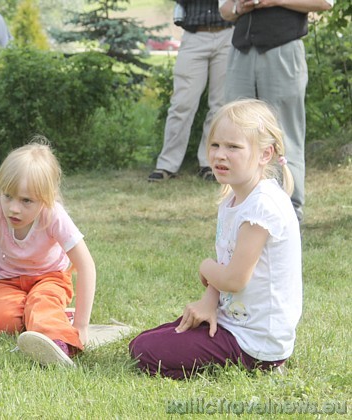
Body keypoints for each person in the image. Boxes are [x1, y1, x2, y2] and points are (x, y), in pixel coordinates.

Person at [130, 99, 302, 379]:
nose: (221, 155)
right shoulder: (234, 200)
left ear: (265, 154)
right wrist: (208, 301)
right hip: (234, 323)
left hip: (255, 342)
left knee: (145, 351)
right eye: (215, 145)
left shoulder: (262, 207)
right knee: (148, 338)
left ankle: (259, 366)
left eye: (233, 147)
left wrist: (204, 265)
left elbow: (234, 279)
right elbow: (228, 264)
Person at [0, 140, 96, 367]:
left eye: (26, 201)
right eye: (7, 196)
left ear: (45, 200)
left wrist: (81, 325)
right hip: (6, 281)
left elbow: (86, 265)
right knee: (5, 323)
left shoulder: (53, 215)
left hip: (49, 278)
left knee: (42, 307)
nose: (13, 208)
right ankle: (41, 314)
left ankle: (59, 342)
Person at [218, 0, 333, 222]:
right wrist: (238, 8)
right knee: (234, 129)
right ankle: (240, 205)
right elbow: (224, 9)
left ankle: (290, 209)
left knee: (284, 131)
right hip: (240, 52)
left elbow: (325, 2)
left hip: (283, 49)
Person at [148, 0, 233, 182]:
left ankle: (210, 163)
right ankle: (167, 164)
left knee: (220, 105)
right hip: (195, 35)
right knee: (182, 104)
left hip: (228, 33)